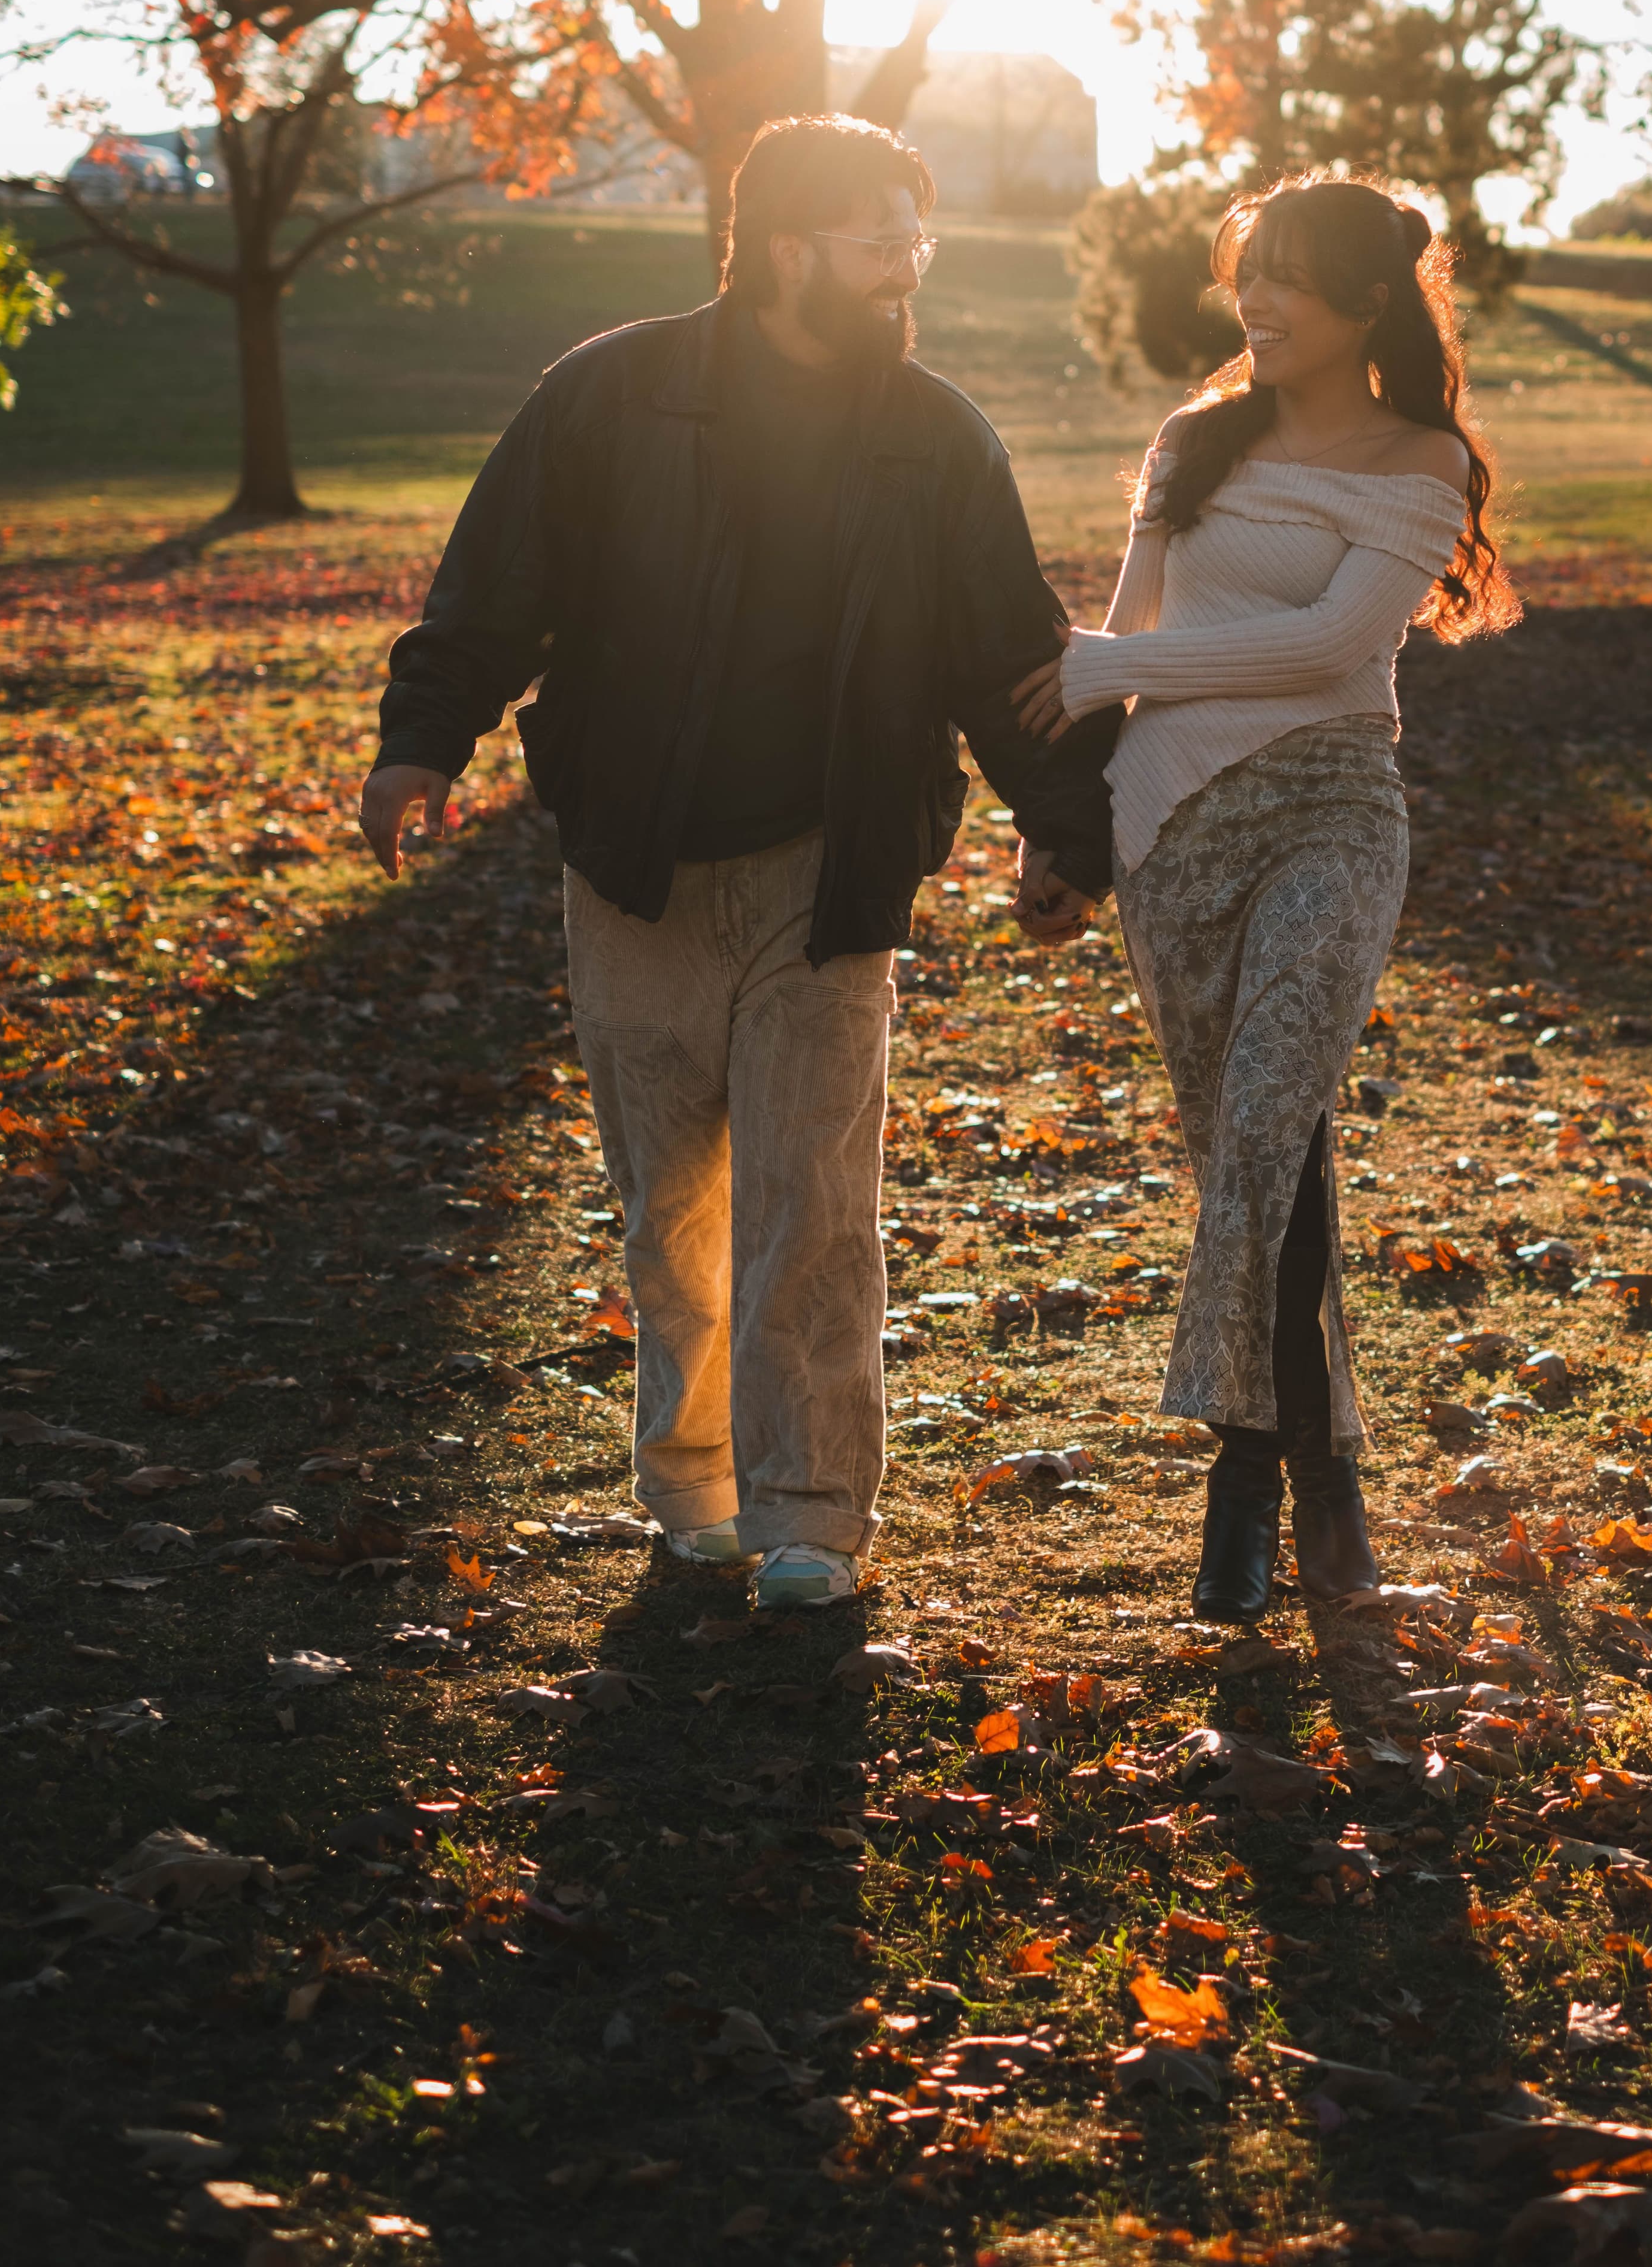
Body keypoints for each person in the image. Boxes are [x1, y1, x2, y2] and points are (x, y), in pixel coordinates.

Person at [359, 113, 1118, 1610]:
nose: (909, 270)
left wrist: (1066, 826)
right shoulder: (612, 398)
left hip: (831, 869)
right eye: (880, 242)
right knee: (674, 1208)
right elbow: (494, 586)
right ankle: (695, 1483)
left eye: (920, 240)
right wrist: (419, 741)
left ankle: (810, 1514)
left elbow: (1007, 651)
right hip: (634, 858)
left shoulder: (935, 435)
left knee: (812, 1205)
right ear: (787, 251)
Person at [1012, 177, 1518, 1624]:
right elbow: (1139, 624)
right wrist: (1071, 832)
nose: (1259, 299)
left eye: (1293, 278)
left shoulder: (1423, 459)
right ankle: (1326, 1469)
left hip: (1332, 813)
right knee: (1262, 1159)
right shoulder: (1195, 438)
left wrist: (1113, 672)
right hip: (1171, 826)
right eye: (1251, 271)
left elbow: (1327, 646)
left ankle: (1250, 1483)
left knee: (1263, 1121)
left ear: (1368, 304)